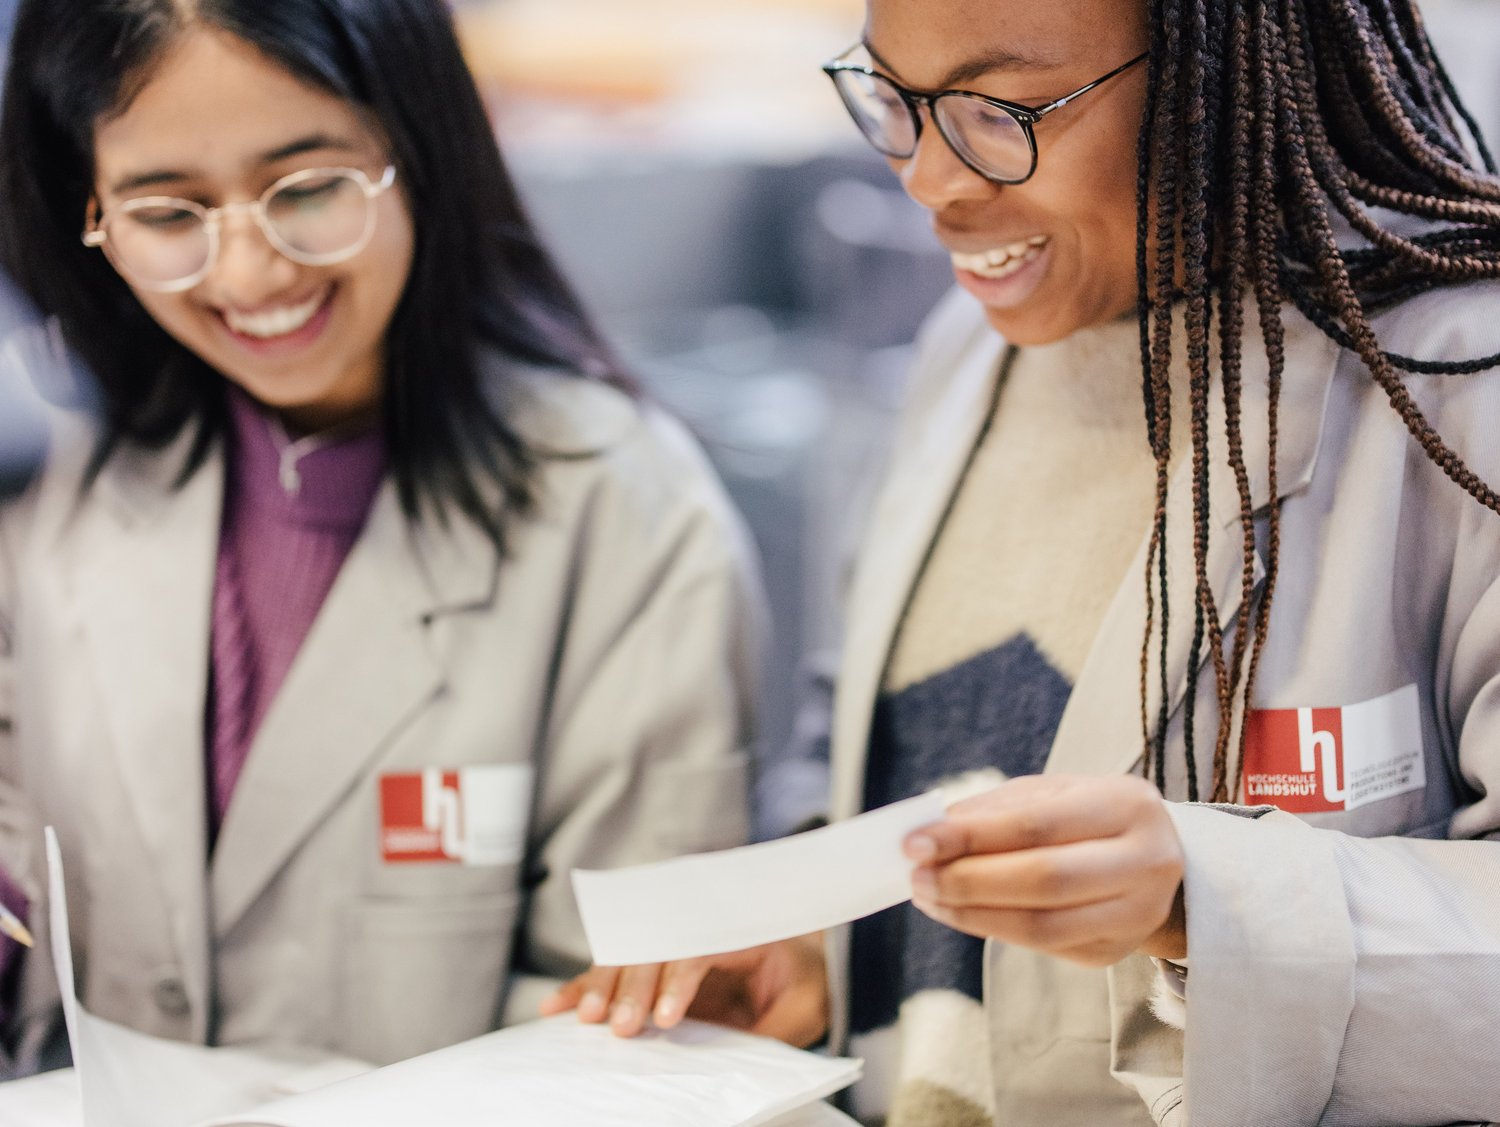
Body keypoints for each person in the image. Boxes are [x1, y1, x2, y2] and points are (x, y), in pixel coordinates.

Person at [549, 0, 1500, 1122]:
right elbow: (859, 749)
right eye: (895, 103)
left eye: (997, 110)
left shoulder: (1453, 390)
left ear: (1210, 77)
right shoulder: (959, 360)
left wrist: (1210, 899)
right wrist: (820, 945)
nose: (928, 183)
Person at [0, 0, 763, 1077]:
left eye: (308, 189)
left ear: (419, 148)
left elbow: (633, 1013)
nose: (250, 274)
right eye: (168, 213)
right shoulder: (55, 478)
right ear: (88, 210)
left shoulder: (623, 511)